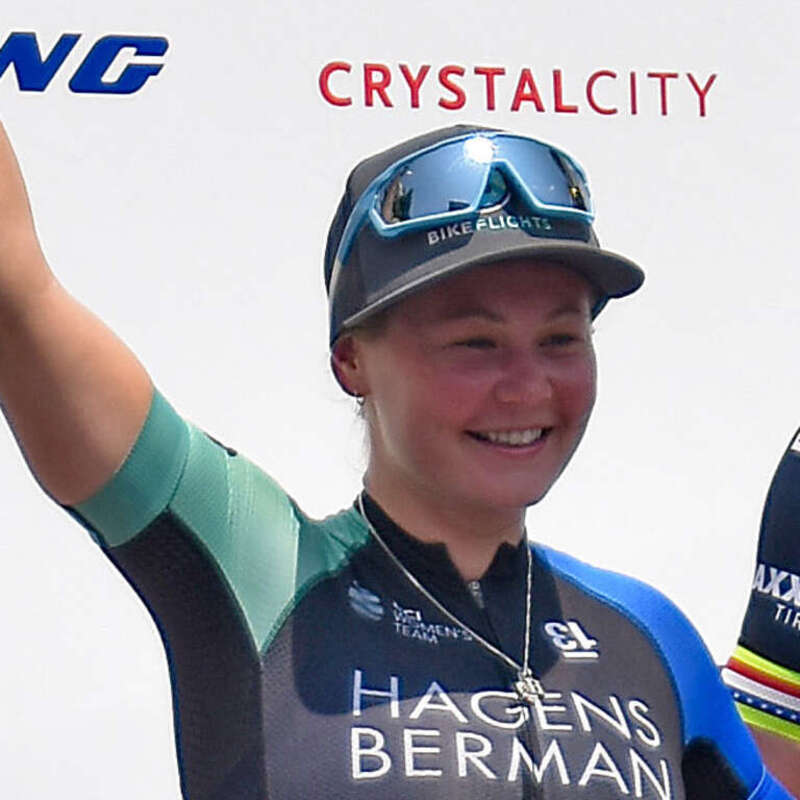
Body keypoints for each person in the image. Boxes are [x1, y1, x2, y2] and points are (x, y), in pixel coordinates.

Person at [0, 121, 793, 800]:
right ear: (352, 362)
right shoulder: (259, 572)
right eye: (473, 344)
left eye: (561, 339)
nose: (527, 387)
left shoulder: (647, 635)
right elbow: (15, 289)